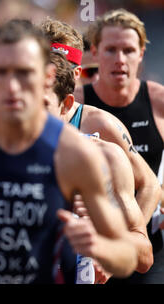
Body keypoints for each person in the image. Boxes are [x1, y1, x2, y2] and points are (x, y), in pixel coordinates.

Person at [0, 19, 138, 284]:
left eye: (24, 72)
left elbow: (127, 257)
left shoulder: (73, 153)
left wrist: (99, 247)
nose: (13, 85)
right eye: (3, 71)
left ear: (47, 76)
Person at [40, 16, 160, 253]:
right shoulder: (4, 114)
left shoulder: (99, 122)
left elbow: (150, 185)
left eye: (61, 68)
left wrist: (121, 242)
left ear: (76, 73)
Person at [45, 52, 153, 282]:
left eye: (43, 105)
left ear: (66, 105)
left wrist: (108, 245)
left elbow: (145, 255)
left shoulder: (106, 155)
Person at [74, 8, 164, 284]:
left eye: (128, 50)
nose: (120, 60)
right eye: (111, 50)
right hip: (88, 248)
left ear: (141, 54)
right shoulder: (74, 103)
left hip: (144, 243)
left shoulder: (158, 101)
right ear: (95, 52)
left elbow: (150, 183)